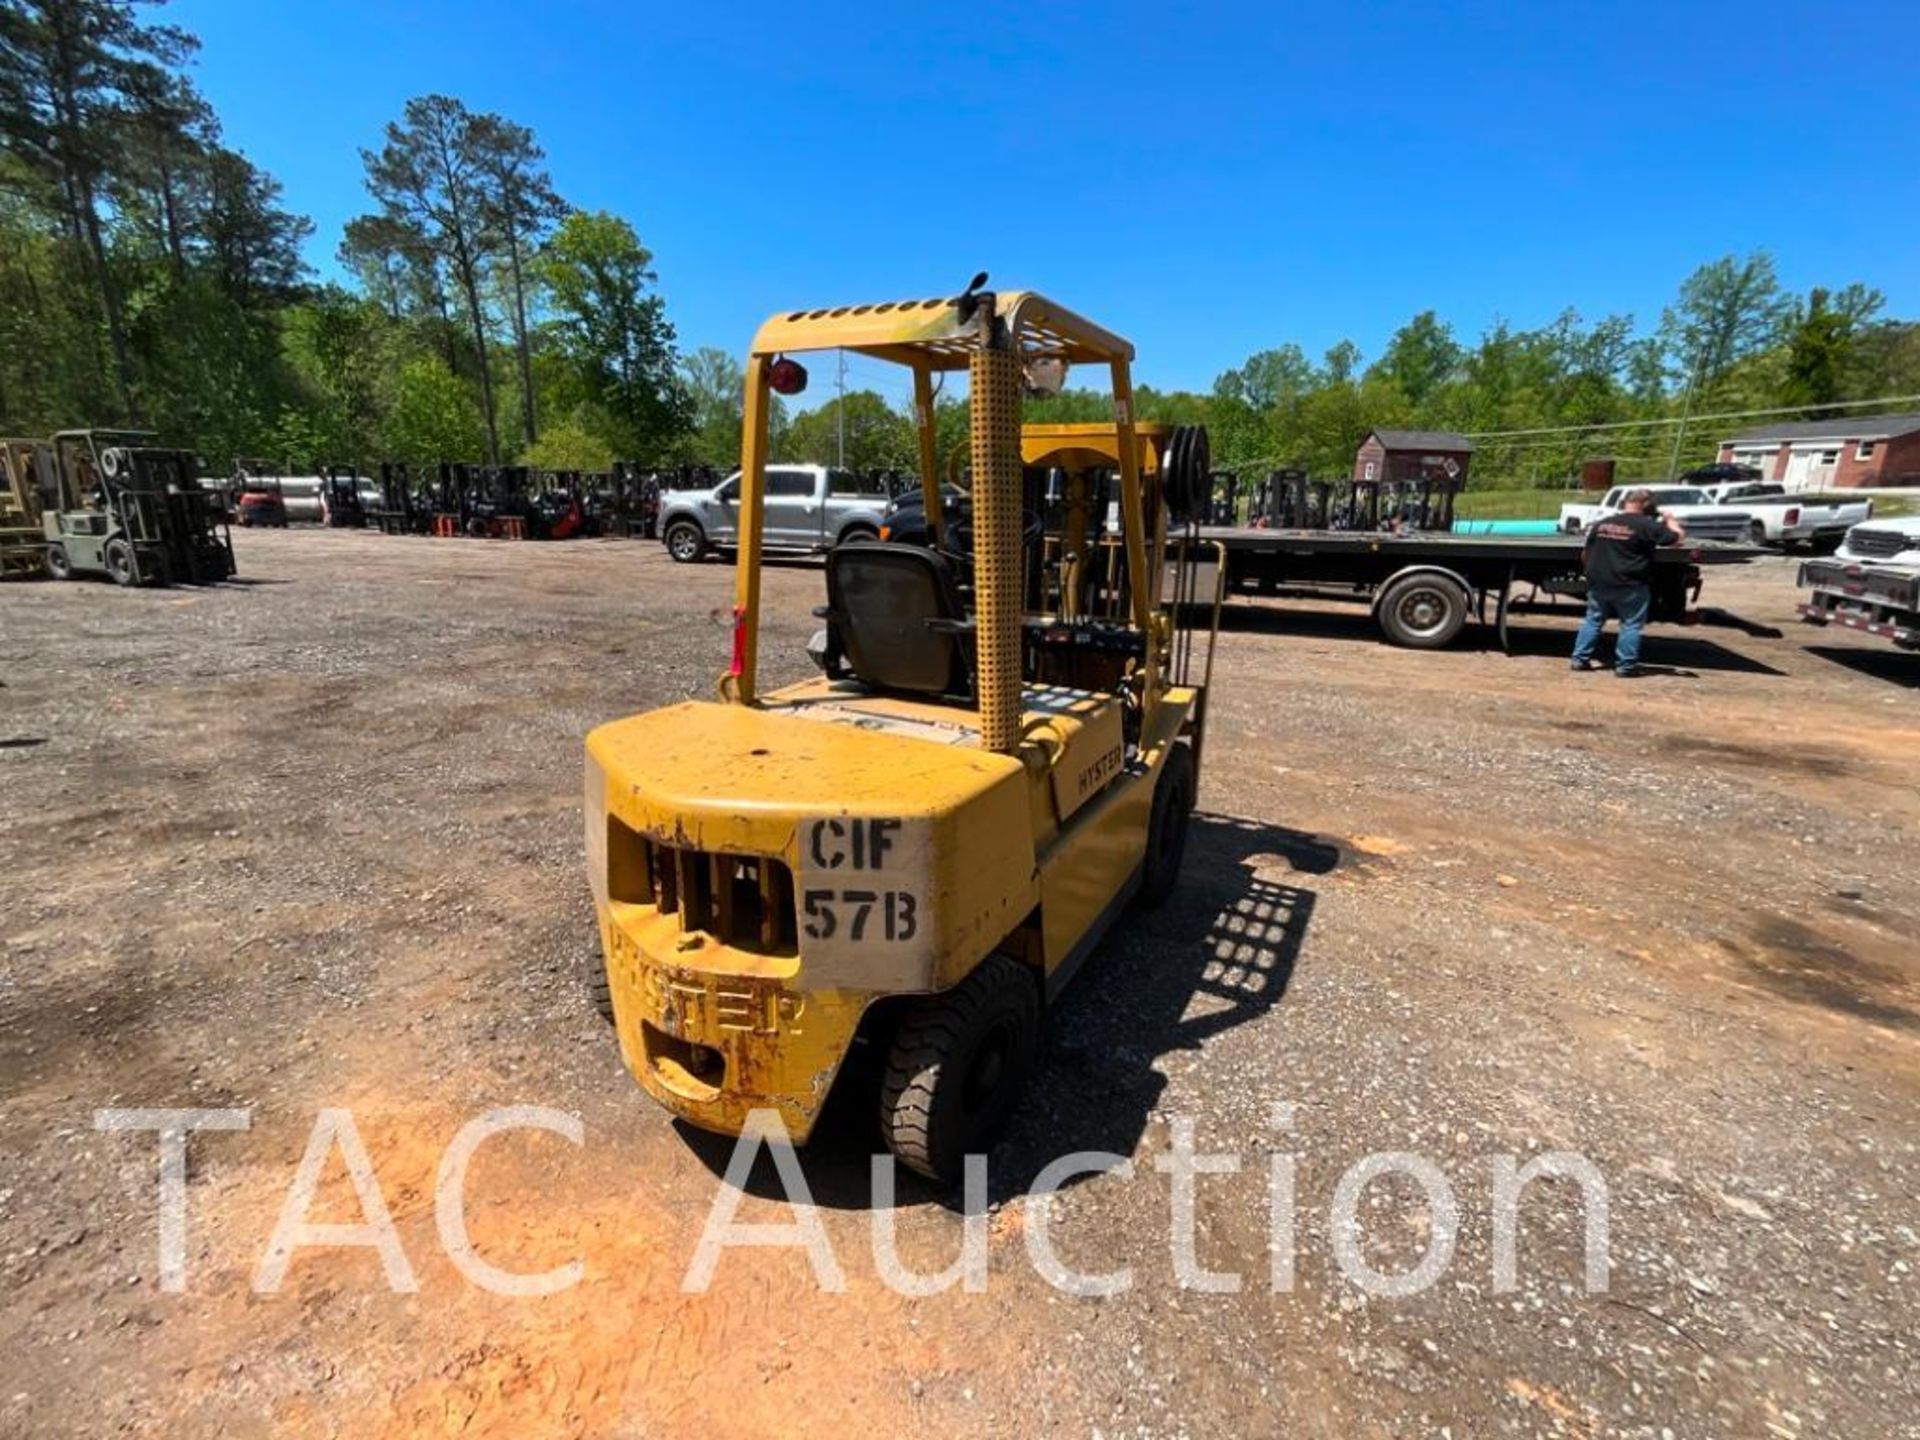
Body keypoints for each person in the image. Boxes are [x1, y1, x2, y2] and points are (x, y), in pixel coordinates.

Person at [1570, 488, 1684, 677]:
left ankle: (1579, 660)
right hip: (1631, 584)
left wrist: (1590, 573)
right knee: (1630, 625)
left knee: (1592, 621)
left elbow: (1585, 553)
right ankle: (1625, 666)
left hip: (1600, 582)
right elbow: (1677, 539)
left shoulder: (1602, 524)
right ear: (1647, 505)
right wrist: (1671, 521)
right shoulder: (1647, 525)